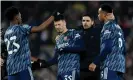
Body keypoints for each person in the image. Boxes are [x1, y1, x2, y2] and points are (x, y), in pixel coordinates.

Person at [4, 6, 56, 80]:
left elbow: (17, 54)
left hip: (11, 69)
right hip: (23, 67)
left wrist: (37, 60)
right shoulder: (22, 28)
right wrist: (53, 16)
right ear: (16, 17)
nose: (21, 17)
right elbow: (41, 28)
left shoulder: (6, 33)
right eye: (20, 15)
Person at [32, 14, 85, 80]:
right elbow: (56, 58)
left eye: (59, 24)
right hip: (61, 71)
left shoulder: (74, 33)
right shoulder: (59, 39)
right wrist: (45, 64)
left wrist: (65, 49)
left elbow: (81, 48)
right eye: (56, 24)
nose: (57, 26)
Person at [89, 4, 126, 80]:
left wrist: (95, 62)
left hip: (110, 65)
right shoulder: (118, 28)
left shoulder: (107, 26)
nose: (98, 15)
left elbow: (107, 48)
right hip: (120, 66)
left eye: (99, 13)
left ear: (104, 14)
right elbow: (124, 49)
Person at [79, 14, 101, 80]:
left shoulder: (98, 32)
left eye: (87, 21)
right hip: (82, 68)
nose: (85, 23)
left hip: (94, 68)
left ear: (92, 22)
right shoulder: (78, 33)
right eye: (83, 21)